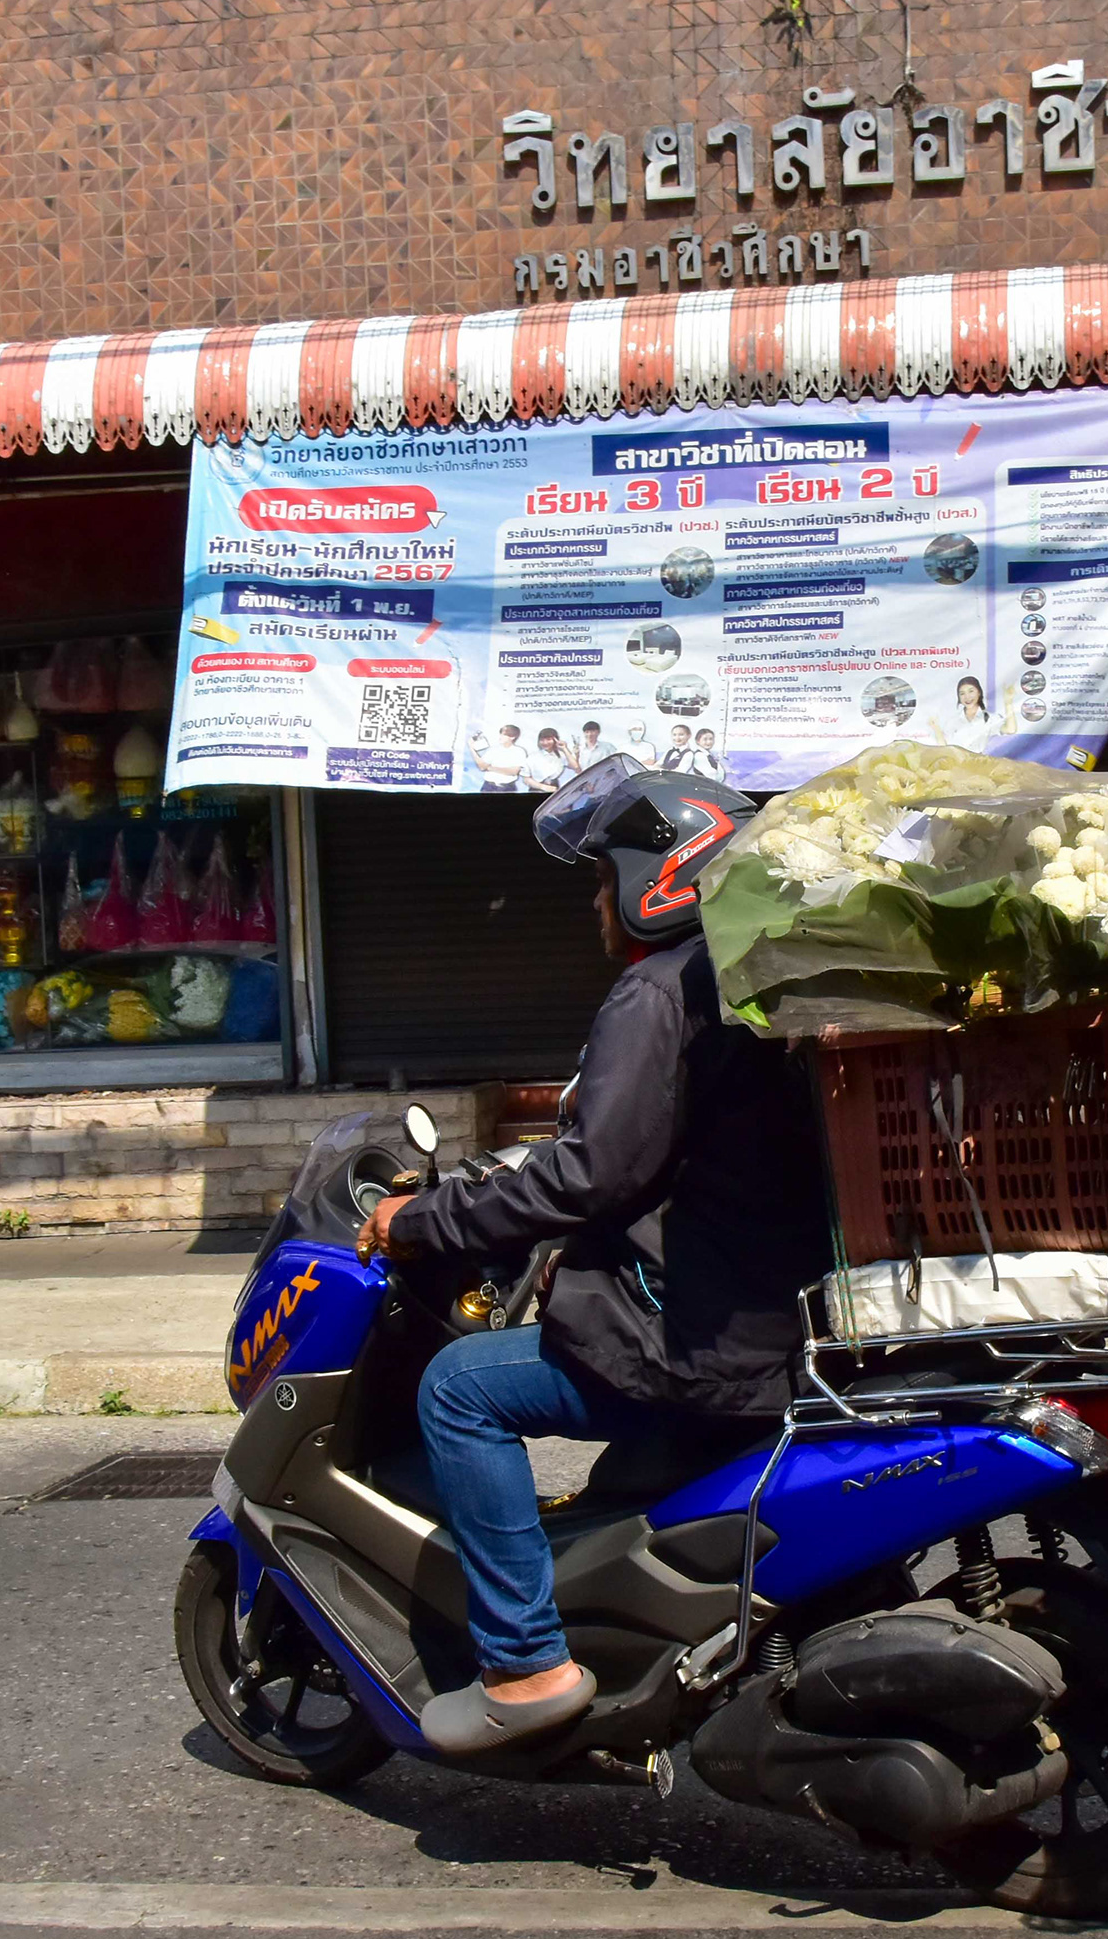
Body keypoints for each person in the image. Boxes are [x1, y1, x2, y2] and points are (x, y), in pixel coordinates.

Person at [356, 759, 832, 1756]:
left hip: (698, 1335)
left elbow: (592, 1177)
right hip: (765, 1314)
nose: (593, 901)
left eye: (600, 874)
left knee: (455, 1389)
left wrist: (422, 1219)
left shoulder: (659, 992)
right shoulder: (752, 975)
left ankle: (525, 1663)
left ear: (656, 878)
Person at [470, 723, 528, 792]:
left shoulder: (519, 751)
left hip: (507, 788)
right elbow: (482, 767)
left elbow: (513, 771)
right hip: (488, 787)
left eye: (504, 735)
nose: (500, 736)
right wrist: (472, 748)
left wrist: (490, 768)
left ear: (512, 737)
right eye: (500, 734)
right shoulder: (493, 749)